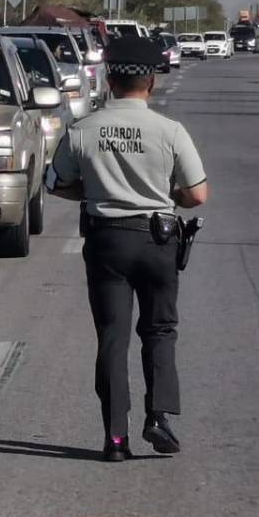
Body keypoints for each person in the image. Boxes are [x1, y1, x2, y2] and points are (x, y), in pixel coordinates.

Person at [46, 36, 209, 462]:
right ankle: (158, 417)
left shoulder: (82, 130)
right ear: (151, 82)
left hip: (106, 241)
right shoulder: (170, 131)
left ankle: (115, 437)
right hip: (158, 239)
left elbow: (55, 182)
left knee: (112, 338)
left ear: (109, 80)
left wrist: (97, 191)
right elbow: (198, 194)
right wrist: (163, 195)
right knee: (158, 330)